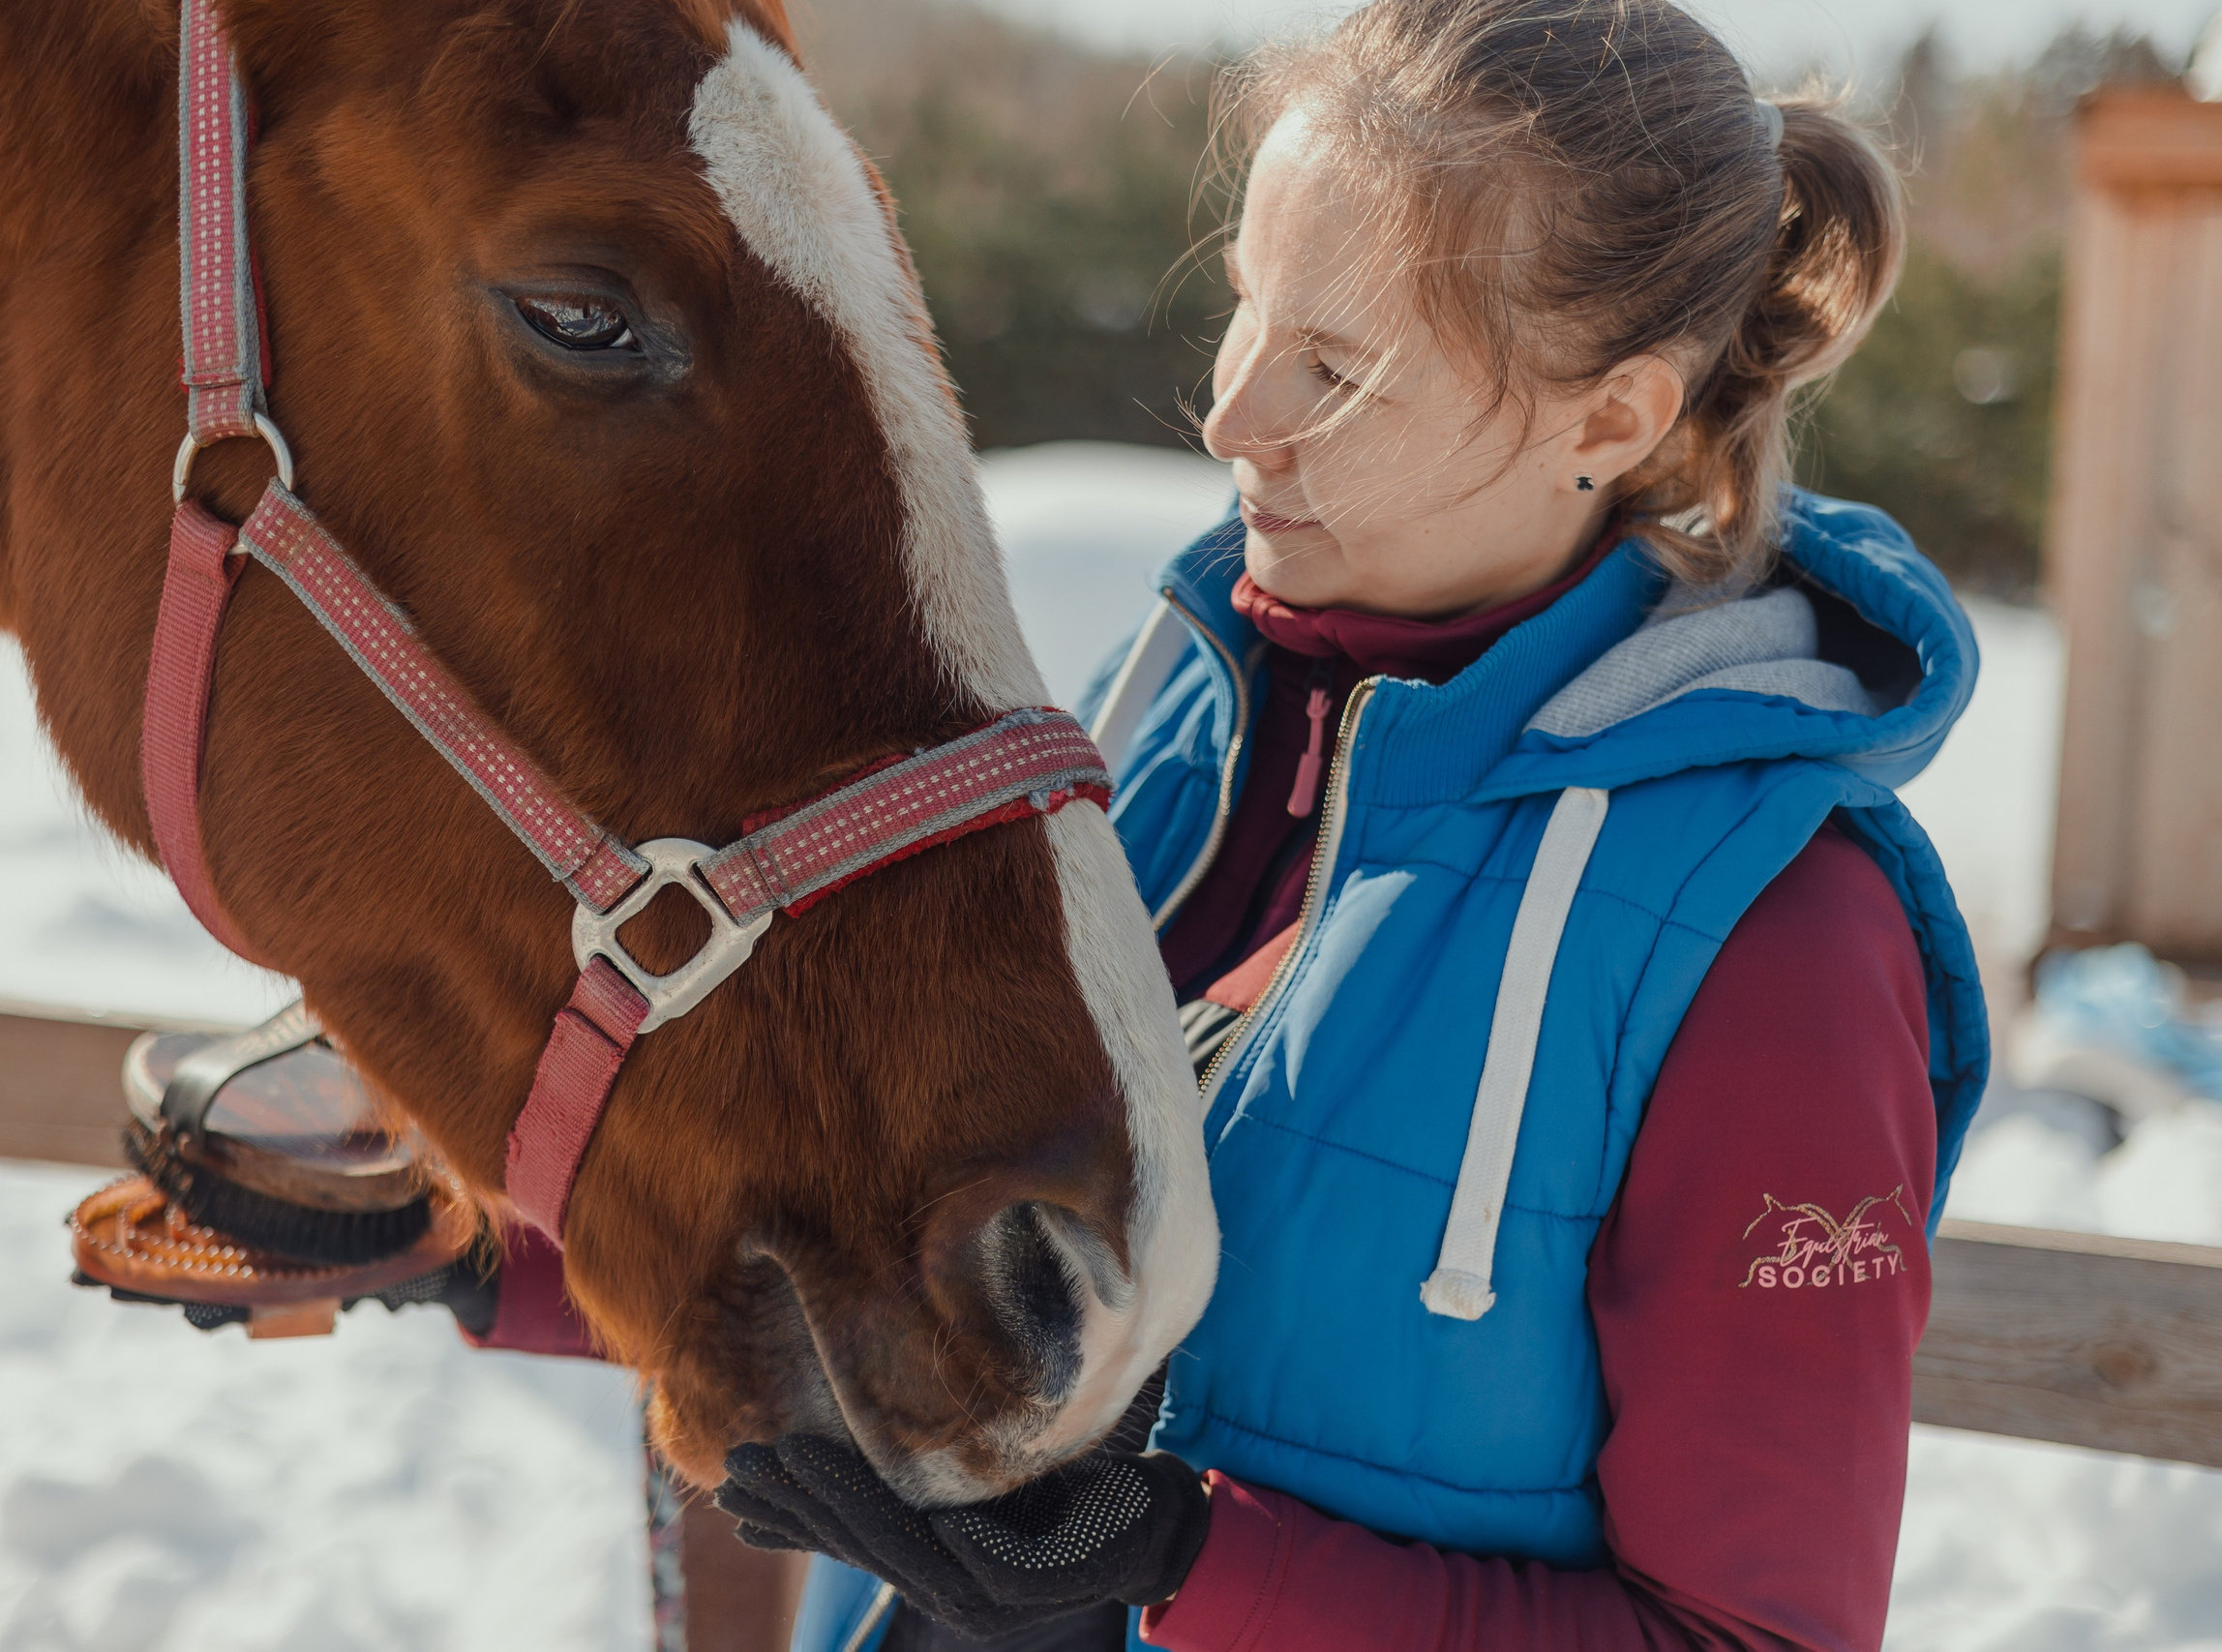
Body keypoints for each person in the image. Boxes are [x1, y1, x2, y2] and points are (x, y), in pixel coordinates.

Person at [718, 1, 1990, 1648]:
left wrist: (1183, 1558)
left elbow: (1753, 1638)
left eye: (1338, 366)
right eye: (1249, 306)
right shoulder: (1184, 708)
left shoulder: (1775, 943)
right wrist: (462, 1238)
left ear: (1609, 420)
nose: (1232, 413)